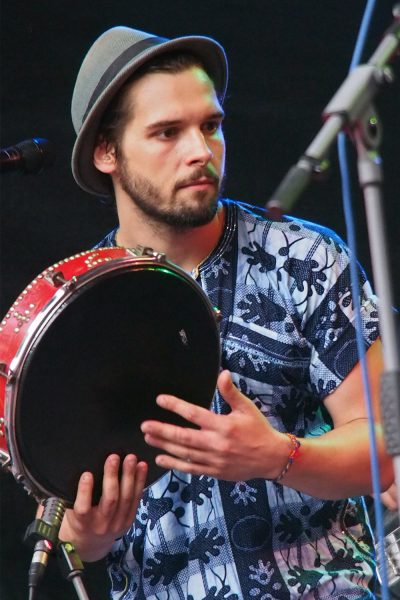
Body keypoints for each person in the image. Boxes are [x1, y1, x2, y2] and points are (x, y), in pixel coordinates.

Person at [56, 25, 395, 599]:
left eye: (210, 126)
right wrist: (85, 533)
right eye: (167, 132)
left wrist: (277, 457)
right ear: (105, 152)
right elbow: (62, 534)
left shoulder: (306, 258)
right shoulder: (74, 307)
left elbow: (387, 443)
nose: (200, 151)